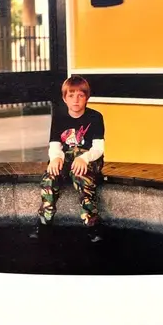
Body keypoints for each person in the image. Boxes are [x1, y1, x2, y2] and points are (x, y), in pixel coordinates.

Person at [31, 75, 106, 242]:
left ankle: (92, 224)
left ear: (87, 97)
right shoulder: (58, 117)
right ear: (64, 98)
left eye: (81, 95)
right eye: (71, 95)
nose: (76, 100)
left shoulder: (95, 117)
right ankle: (44, 222)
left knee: (81, 176)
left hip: (89, 158)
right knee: (50, 177)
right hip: (65, 157)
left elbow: (98, 148)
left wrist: (84, 158)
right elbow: (55, 146)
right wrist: (56, 158)